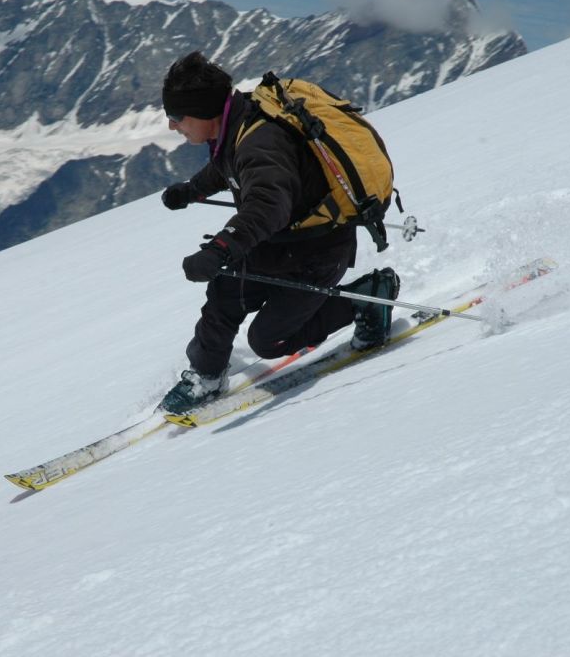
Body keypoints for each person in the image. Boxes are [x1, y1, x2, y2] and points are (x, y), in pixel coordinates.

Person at [158, 51, 400, 414]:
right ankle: (206, 376)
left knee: (268, 340)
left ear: (203, 112)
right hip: (281, 243)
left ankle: (366, 298)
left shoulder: (258, 140)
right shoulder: (239, 123)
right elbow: (230, 166)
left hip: (317, 251)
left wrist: (221, 249)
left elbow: (268, 207)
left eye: (176, 118)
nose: (173, 127)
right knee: (225, 293)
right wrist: (191, 190)